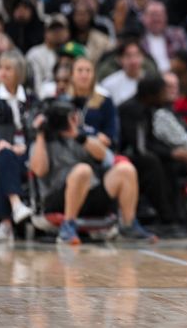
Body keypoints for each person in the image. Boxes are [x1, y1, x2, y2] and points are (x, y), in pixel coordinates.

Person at [29, 100, 156, 245]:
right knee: (82, 170)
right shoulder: (41, 143)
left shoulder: (83, 137)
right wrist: (39, 134)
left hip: (90, 195)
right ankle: (68, 226)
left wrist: (78, 135)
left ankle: (128, 225)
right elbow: (39, 170)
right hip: (58, 199)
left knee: (125, 169)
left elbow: (108, 159)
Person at [0, 51, 36, 243]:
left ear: (19, 72)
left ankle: (6, 225)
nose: (2, 72)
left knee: (8, 160)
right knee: (5, 155)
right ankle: (16, 204)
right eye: (0, 68)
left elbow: (34, 130)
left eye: (8, 68)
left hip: (23, 151)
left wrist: (26, 147)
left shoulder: (30, 98)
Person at [99, 40, 146, 107]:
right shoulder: (108, 84)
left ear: (143, 57)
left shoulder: (151, 80)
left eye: (137, 55)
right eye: (128, 56)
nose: (133, 61)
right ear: (119, 59)